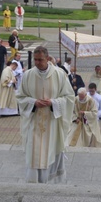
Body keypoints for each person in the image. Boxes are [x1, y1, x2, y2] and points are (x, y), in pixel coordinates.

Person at [16, 46, 75, 183]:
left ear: (48, 59)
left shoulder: (59, 74)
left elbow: (69, 97)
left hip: (52, 124)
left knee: (51, 152)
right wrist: (33, 102)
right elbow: (20, 97)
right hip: (34, 123)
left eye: (40, 60)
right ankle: (33, 182)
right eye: (35, 60)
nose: (37, 63)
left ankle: (50, 182)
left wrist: (53, 103)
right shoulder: (28, 75)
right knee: (33, 152)